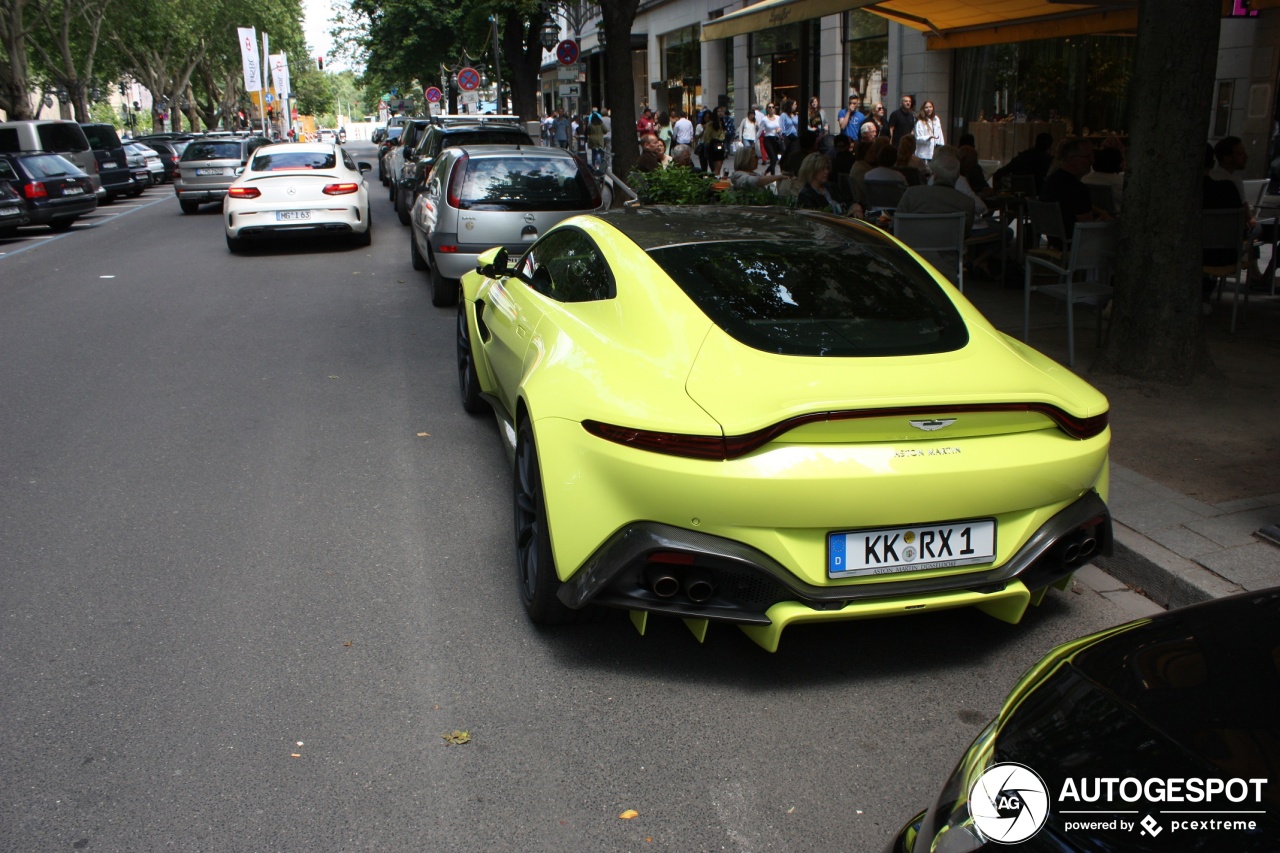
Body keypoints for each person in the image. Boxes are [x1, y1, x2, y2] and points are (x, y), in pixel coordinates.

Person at [896, 146, 975, 278]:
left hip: (911, 262)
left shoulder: (912, 194)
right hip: (946, 267)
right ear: (957, 176)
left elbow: (896, 228)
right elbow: (964, 235)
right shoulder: (967, 203)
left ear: (935, 174)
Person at [1040, 138, 1112, 247]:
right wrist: (1103, 219)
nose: (1092, 160)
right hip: (1076, 246)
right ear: (1072, 159)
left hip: (1055, 242)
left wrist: (1098, 211)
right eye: (1087, 157)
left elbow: (1069, 204)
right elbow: (1086, 227)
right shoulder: (1078, 188)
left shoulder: (1052, 181)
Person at [1081, 146, 1125, 213]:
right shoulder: (1120, 181)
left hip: (1093, 216)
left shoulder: (1085, 179)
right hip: (1117, 217)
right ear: (1119, 163)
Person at [914, 100, 944, 170]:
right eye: (926, 107)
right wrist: (929, 137)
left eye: (930, 107)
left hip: (935, 153)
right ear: (923, 109)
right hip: (924, 154)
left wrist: (942, 147)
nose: (928, 109)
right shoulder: (920, 122)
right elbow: (918, 138)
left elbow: (940, 135)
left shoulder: (936, 120)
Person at [701, 110, 727, 176]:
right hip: (714, 144)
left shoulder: (722, 123)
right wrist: (709, 143)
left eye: (721, 111)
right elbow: (706, 135)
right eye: (718, 111)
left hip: (721, 144)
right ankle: (716, 177)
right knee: (716, 163)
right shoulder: (711, 124)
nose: (720, 112)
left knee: (720, 163)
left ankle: (717, 176)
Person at [759, 103, 783, 175]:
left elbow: (781, 127)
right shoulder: (764, 119)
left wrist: (779, 129)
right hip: (767, 139)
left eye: (773, 107)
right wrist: (754, 141)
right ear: (767, 109)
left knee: (775, 159)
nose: (771, 109)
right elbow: (760, 131)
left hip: (775, 139)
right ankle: (772, 176)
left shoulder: (778, 118)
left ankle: (766, 173)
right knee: (772, 158)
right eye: (770, 107)